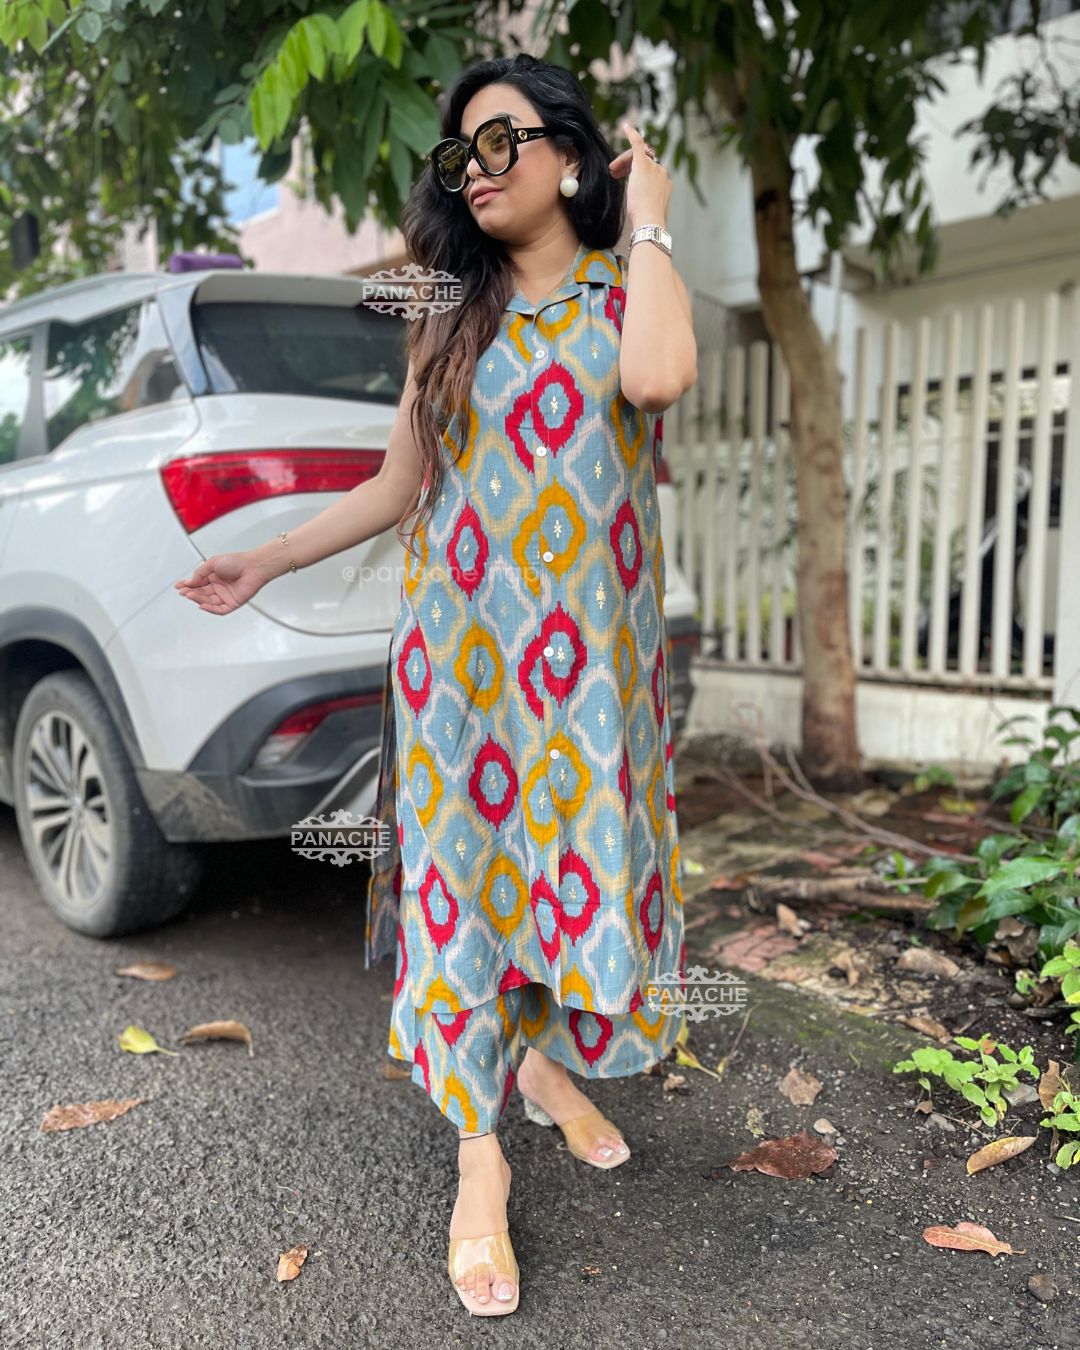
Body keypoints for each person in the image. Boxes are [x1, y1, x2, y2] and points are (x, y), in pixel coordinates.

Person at [175, 51, 697, 1319]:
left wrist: (651, 218)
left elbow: (657, 381)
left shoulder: (631, 285)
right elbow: (397, 486)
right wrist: (268, 557)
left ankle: (543, 1069)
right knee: (467, 892)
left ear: (571, 158)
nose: (477, 169)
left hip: (589, 680)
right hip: (461, 673)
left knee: (564, 878)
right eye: (461, 154)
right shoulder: (449, 316)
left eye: (503, 141)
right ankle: (479, 1159)